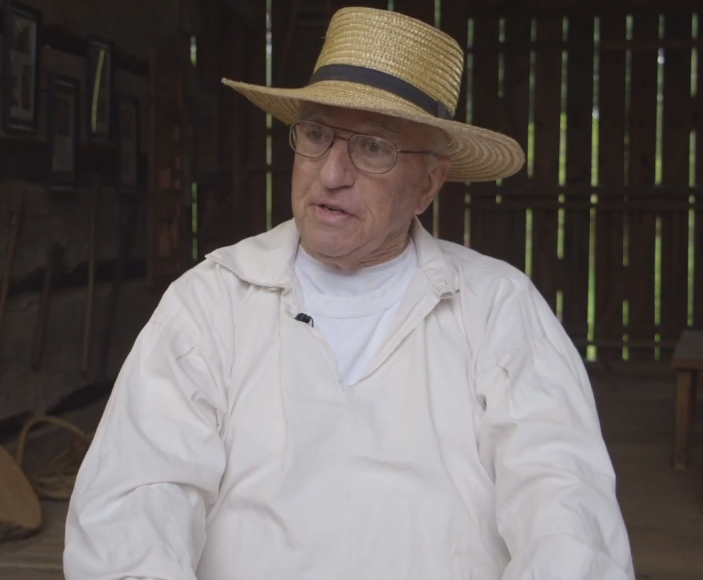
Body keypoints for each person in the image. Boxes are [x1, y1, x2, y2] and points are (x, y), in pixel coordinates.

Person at [64, 7, 634, 580]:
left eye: (374, 147)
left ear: (428, 185)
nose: (331, 172)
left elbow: (566, 512)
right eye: (316, 134)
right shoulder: (213, 301)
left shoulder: (498, 308)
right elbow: (132, 506)